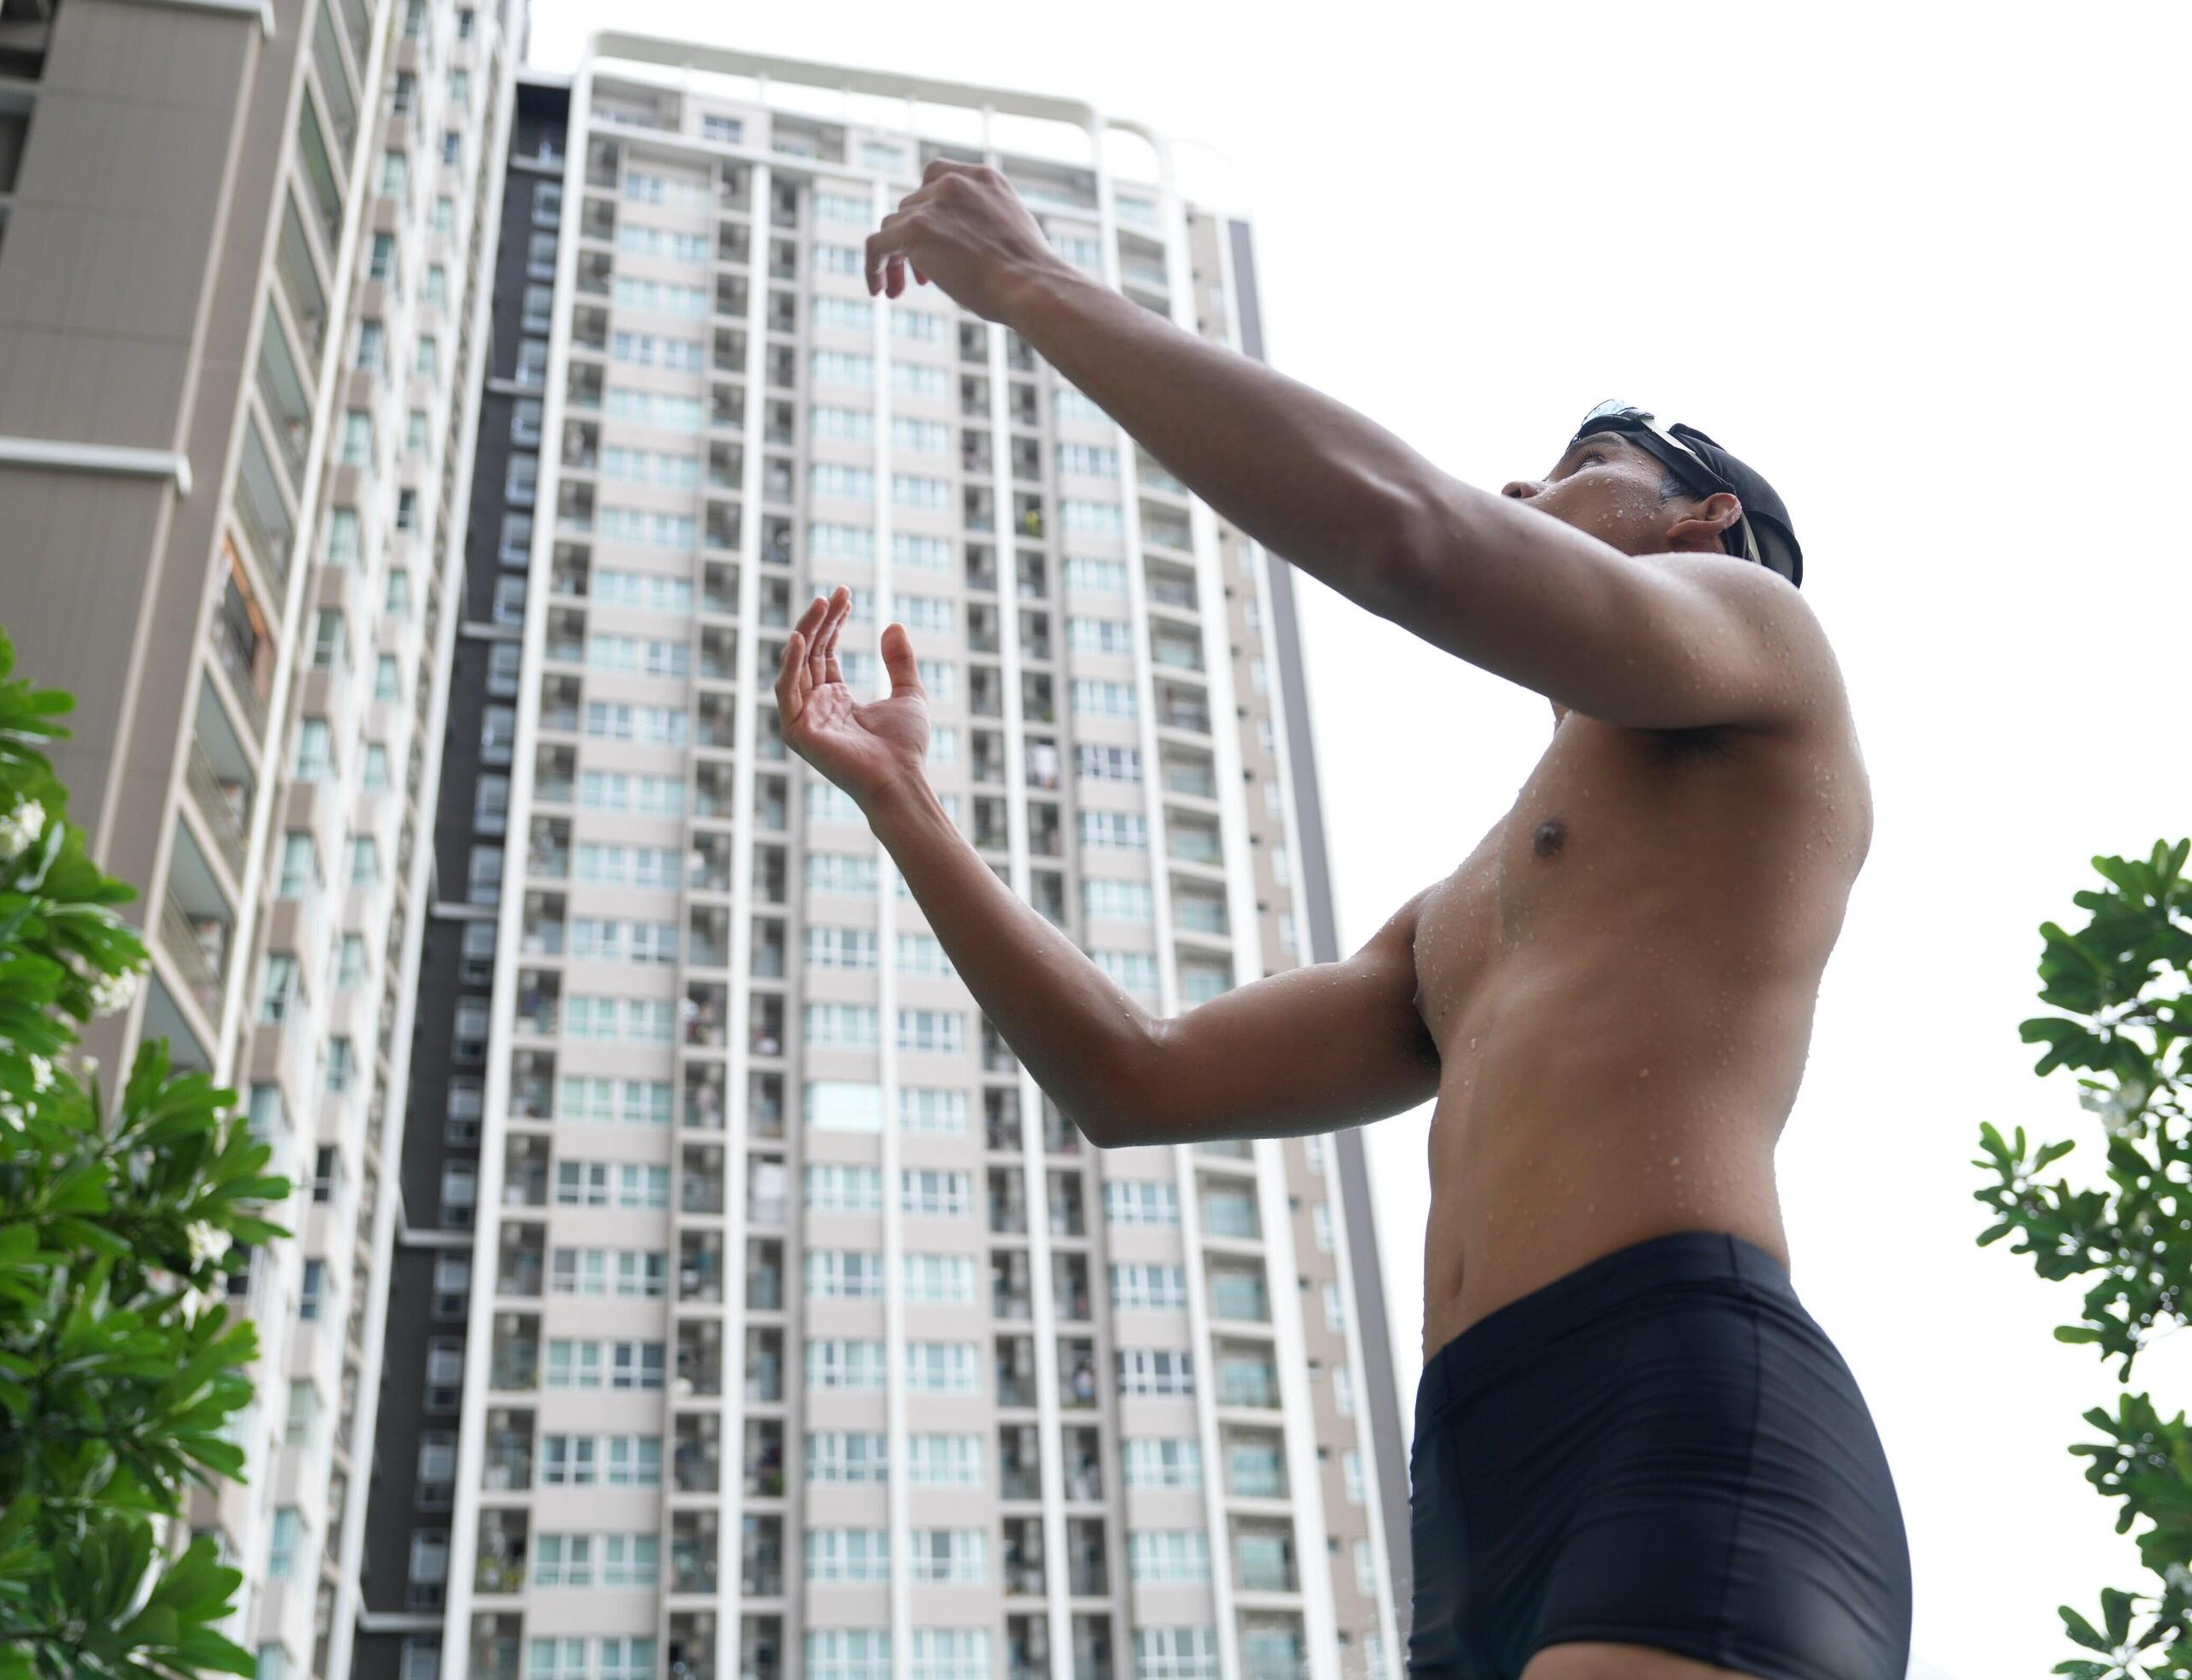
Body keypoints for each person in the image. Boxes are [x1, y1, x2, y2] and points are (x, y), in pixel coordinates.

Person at [775, 160, 1907, 1680]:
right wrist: (904, 805)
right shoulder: (1465, 914)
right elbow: (1136, 1078)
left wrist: (1033, 284)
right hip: (1463, 1506)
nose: (1519, 489)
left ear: (1708, 521)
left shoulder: (1770, 646)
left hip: (1673, 1407)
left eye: (1576, 462)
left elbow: (1406, 535)